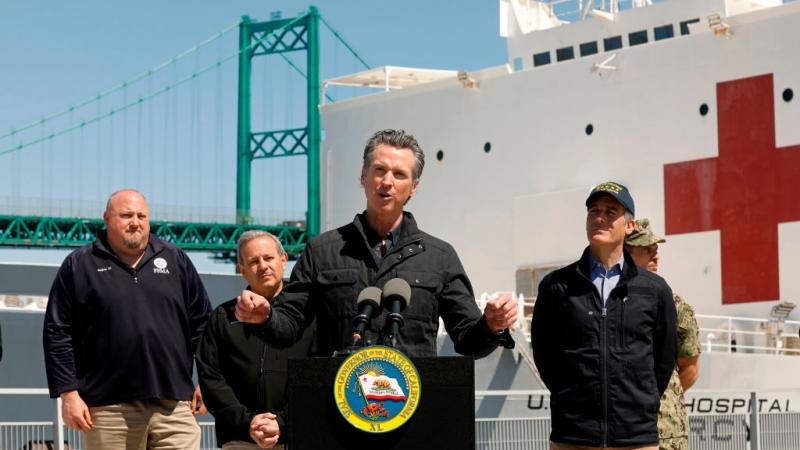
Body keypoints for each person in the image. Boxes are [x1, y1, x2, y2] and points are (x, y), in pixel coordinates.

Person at [236, 128, 517, 357]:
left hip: (412, 409)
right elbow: (289, 327)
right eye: (379, 170)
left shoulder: (440, 257)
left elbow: (467, 340)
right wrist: (266, 316)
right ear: (363, 176)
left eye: (399, 174)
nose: (387, 181)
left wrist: (491, 325)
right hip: (339, 407)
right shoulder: (322, 251)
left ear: (414, 187)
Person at [43, 189, 212, 450]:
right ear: (107, 218)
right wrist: (68, 393)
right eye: (126, 215)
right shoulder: (79, 265)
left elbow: (203, 323)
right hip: (108, 408)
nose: (135, 222)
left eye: (142, 215)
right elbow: (58, 332)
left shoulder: (175, 259)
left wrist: (207, 379)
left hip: (175, 405)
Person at [531, 181, 677, 450]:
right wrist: (569, 397)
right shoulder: (556, 287)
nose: (599, 217)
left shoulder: (655, 291)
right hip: (573, 436)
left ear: (629, 226)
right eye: (593, 211)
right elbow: (545, 354)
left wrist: (640, 403)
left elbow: (664, 360)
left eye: (611, 212)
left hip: (635, 438)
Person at [197, 231, 315, 450]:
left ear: (283, 260)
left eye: (269, 258)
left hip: (297, 437)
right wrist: (247, 422)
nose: (263, 266)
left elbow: (317, 374)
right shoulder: (224, 317)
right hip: (239, 438)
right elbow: (211, 378)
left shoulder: (310, 316)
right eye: (253, 261)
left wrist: (282, 422)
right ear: (242, 271)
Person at [625, 219, 701, 450]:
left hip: (665, 432)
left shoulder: (676, 305)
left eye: (655, 250)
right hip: (619, 431)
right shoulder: (604, 301)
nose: (655, 256)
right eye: (646, 250)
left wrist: (651, 399)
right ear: (624, 253)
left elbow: (689, 368)